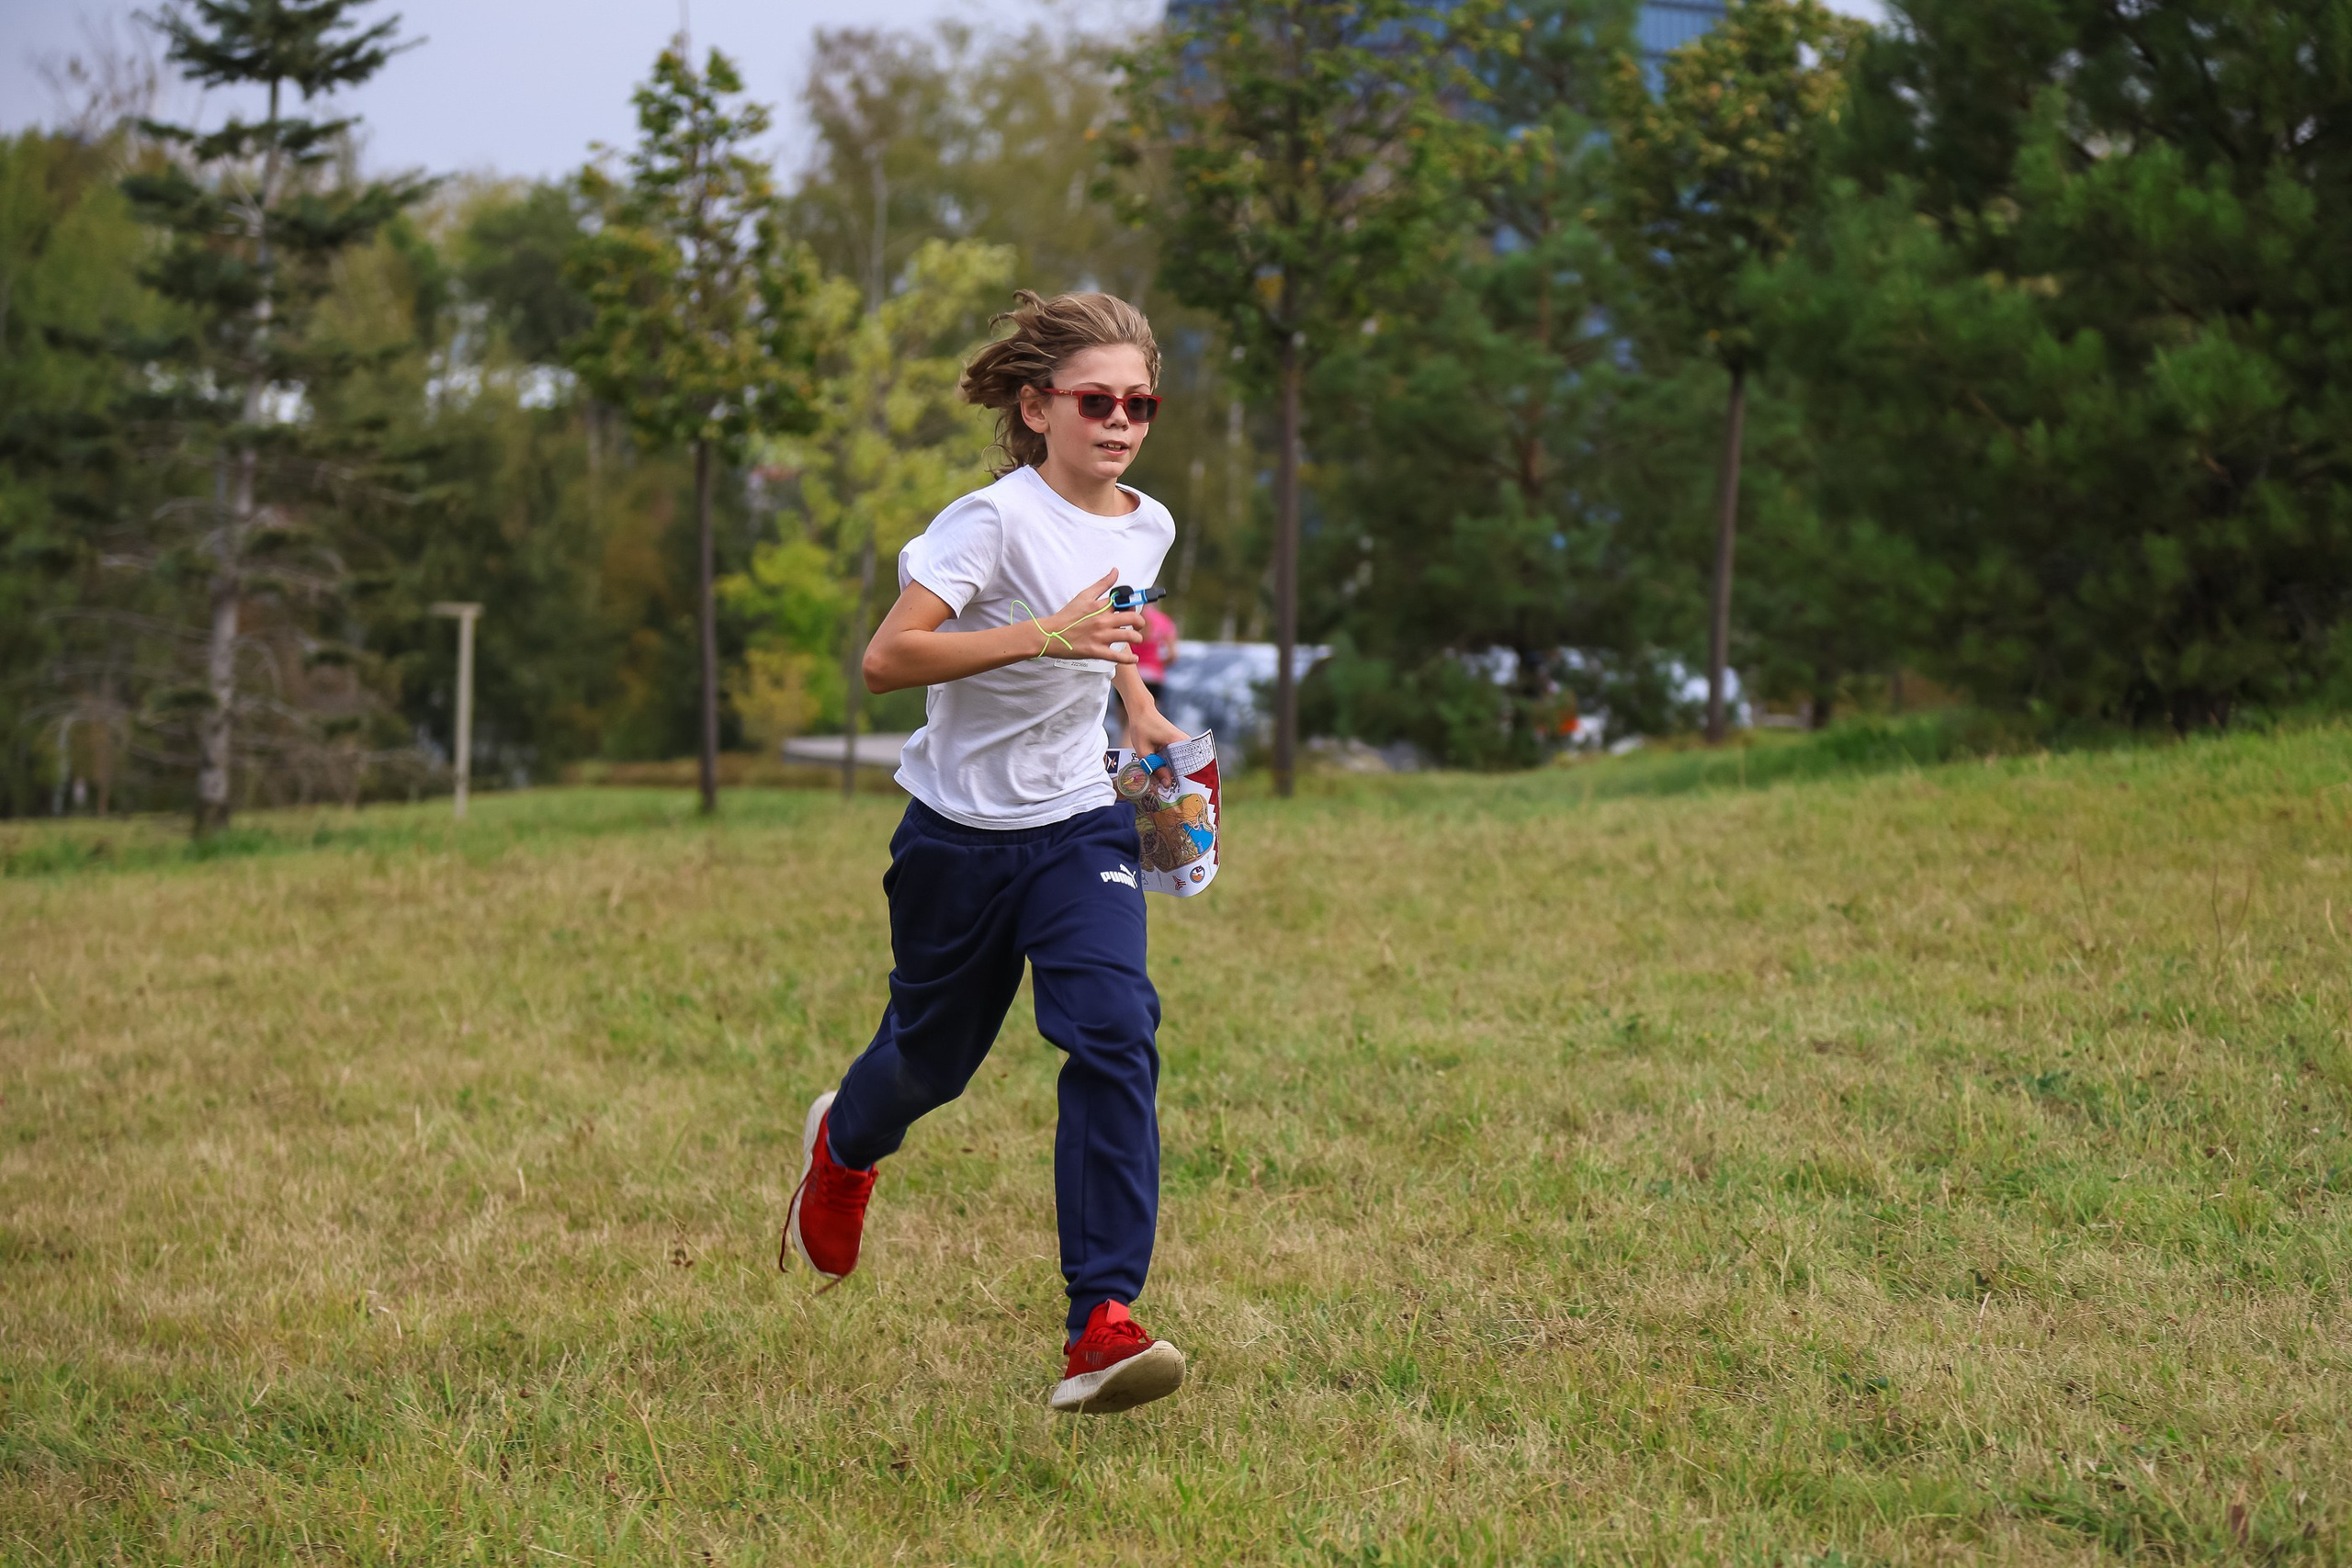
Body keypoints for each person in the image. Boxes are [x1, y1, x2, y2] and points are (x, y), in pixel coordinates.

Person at [782, 289, 1193, 1416]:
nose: (1120, 422)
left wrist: (1140, 708)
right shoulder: (988, 521)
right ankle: (843, 1142)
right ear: (1035, 405)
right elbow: (887, 658)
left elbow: (1106, 619)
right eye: (1097, 401)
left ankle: (1100, 1326)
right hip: (957, 840)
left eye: (1140, 404)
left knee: (1115, 1029)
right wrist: (1039, 635)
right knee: (930, 1064)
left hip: (1079, 823)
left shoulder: (1146, 522)